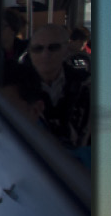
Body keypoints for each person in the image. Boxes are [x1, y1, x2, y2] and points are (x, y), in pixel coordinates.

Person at [22, 24, 91, 153]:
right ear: (30, 53)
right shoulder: (17, 87)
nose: (45, 54)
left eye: (53, 48)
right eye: (38, 49)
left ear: (66, 50)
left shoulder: (86, 86)